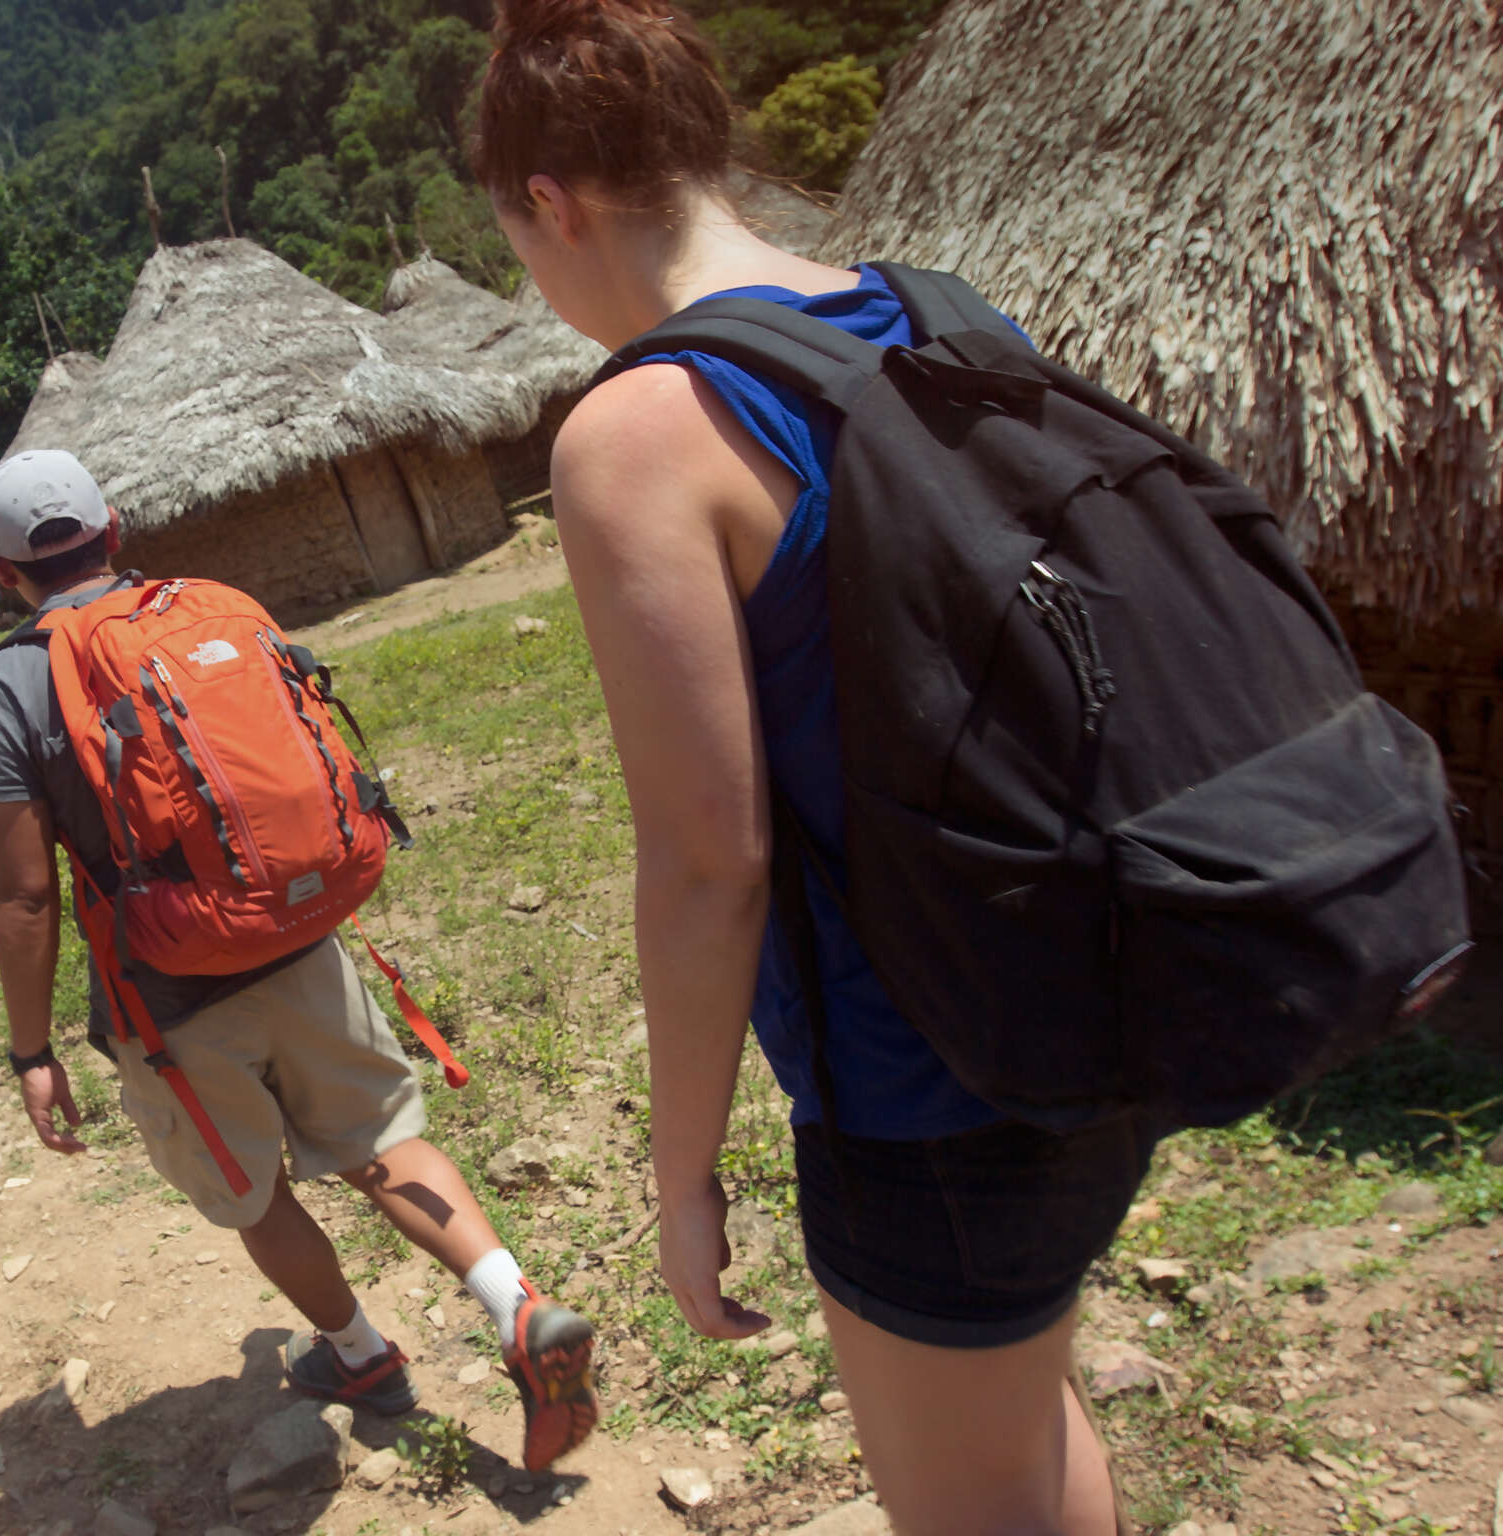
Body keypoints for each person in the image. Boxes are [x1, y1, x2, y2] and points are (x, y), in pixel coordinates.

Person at [474, 3, 1149, 1531]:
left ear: (551, 205)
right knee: (1030, 1412)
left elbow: (716, 866)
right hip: (1100, 987)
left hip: (923, 1094)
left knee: (977, 1494)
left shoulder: (639, 435)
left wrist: (681, 1181)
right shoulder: (950, 311)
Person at [0, 449, 599, 1472]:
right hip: (298, 937)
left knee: (256, 1194)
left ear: (0, 572)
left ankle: (358, 1356)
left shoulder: (8, 682)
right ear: (113, 528)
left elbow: (25, 892)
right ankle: (513, 1305)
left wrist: (29, 1050)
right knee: (378, 1140)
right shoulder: (215, 608)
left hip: (169, 994)